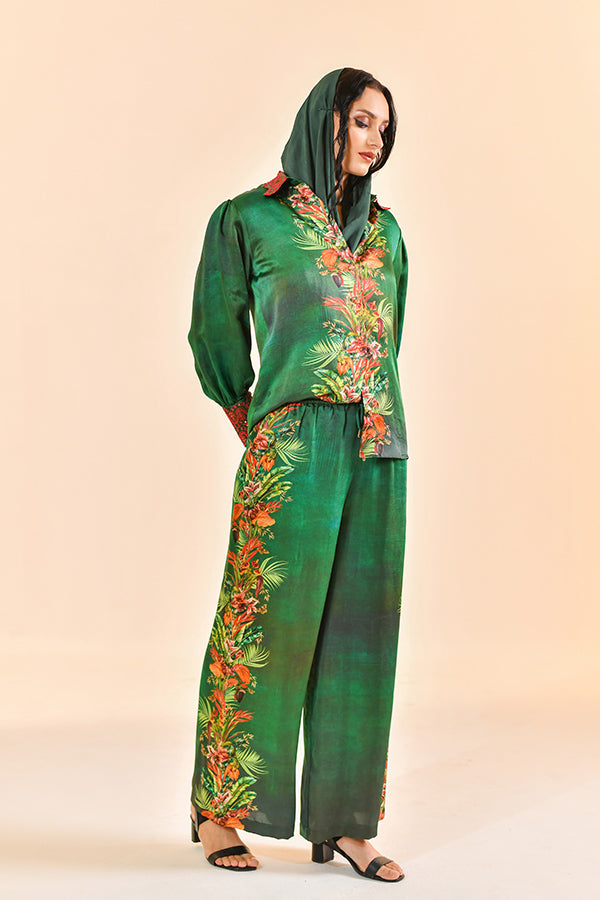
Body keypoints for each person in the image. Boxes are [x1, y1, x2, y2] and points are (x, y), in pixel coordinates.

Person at [186, 67, 409, 883]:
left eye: (384, 127)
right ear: (326, 119)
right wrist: (256, 419)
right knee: (264, 624)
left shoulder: (387, 234)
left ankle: (344, 823)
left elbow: (390, 339)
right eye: (362, 121)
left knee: (361, 634)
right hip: (290, 447)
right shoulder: (250, 218)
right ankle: (220, 809)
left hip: (378, 444)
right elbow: (214, 330)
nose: (374, 139)